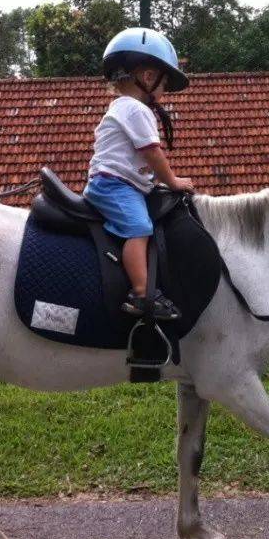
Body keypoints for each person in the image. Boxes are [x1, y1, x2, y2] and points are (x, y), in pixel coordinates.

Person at [83, 27, 195, 320]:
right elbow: (151, 152)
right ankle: (142, 294)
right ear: (147, 77)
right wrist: (172, 181)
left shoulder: (123, 107)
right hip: (113, 186)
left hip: (120, 183)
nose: (162, 92)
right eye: (163, 83)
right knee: (139, 227)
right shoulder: (135, 109)